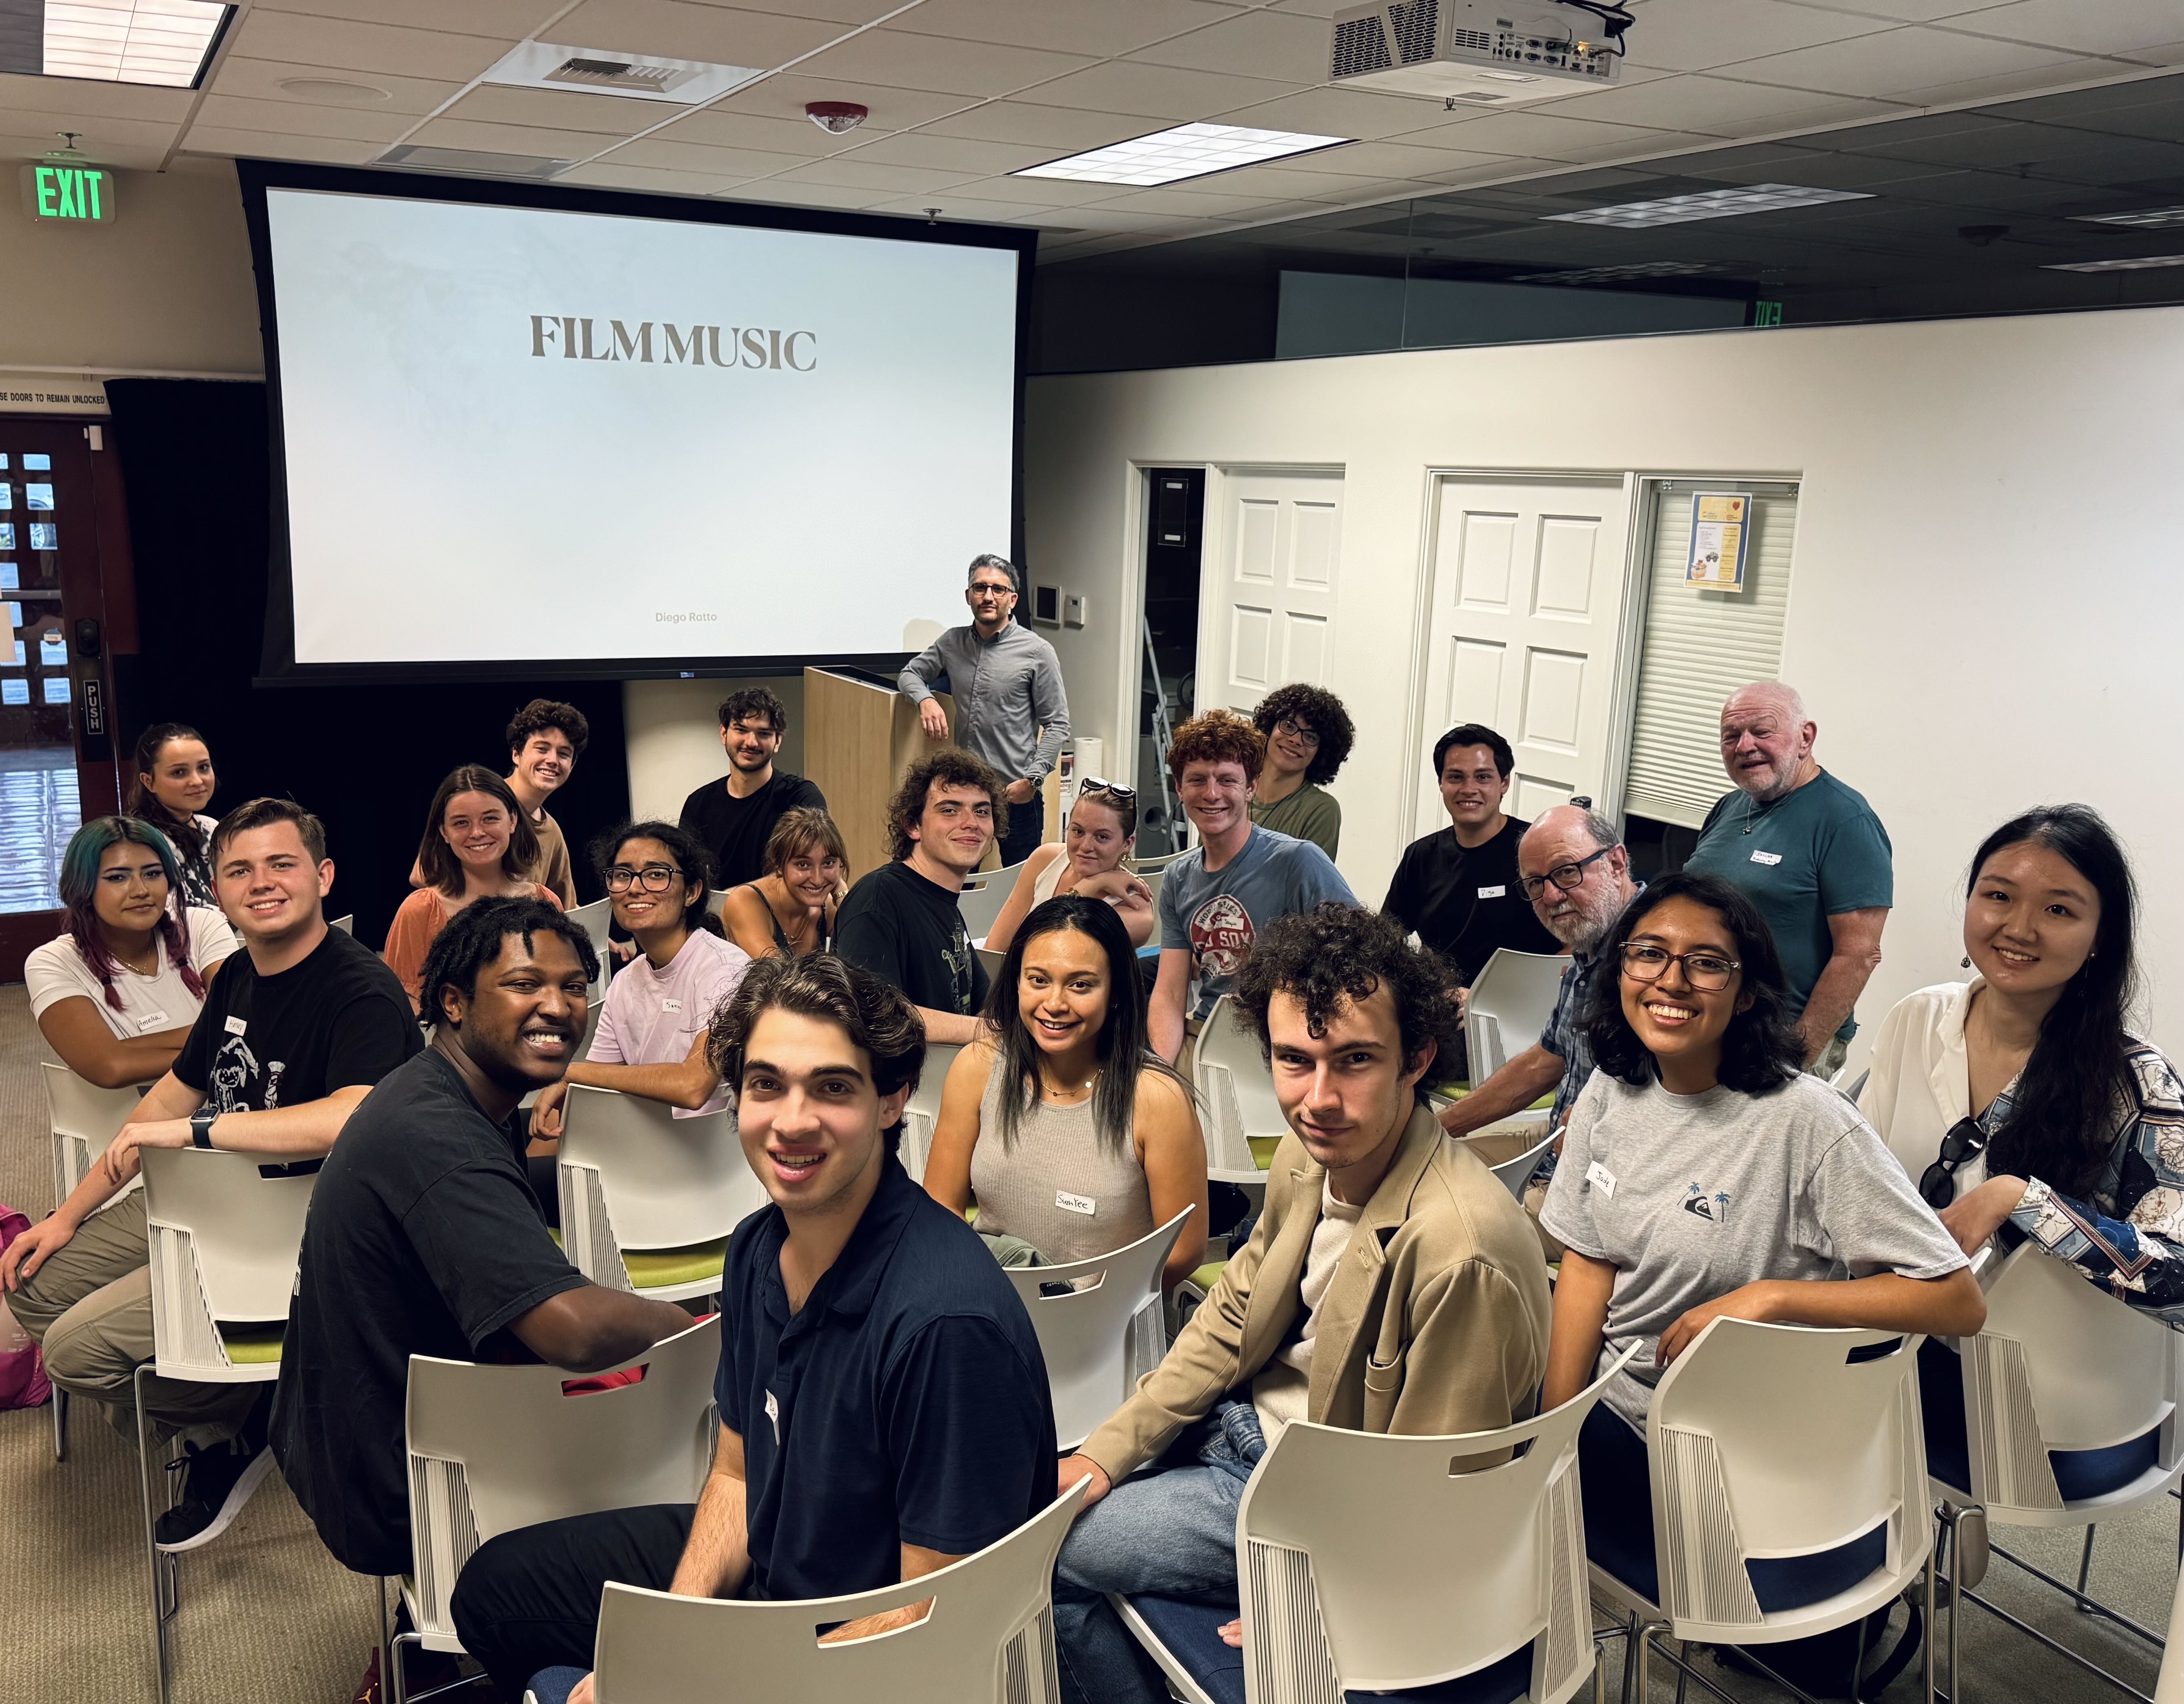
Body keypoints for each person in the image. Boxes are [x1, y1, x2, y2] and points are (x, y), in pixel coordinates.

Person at [449, 953, 1058, 1704]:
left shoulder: (944, 1324)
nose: (791, 1120)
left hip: (862, 1634)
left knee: (557, 1681)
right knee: (491, 1591)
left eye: (833, 1087)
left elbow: (926, 1615)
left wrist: (681, 1678)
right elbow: (737, 1474)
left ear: (893, 1099)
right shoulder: (757, 1246)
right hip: (780, 1563)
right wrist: (674, 1640)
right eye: (767, 1084)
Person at [1050, 904, 1553, 1704]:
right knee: (1027, 1506)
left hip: (1313, 1496)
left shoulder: (1462, 1250)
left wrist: (1332, 1586)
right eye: (1294, 1059)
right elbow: (1227, 1317)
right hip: (1246, 1430)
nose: (1318, 1097)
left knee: (1047, 1563)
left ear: (1417, 1057)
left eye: (1355, 1059)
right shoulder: (1307, 1156)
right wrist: (1107, 1451)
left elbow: (1444, 1481)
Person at [1539, 871, 1983, 1604]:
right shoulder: (1613, 1086)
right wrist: (1556, 1431)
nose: (1671, 980)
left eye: (1706, 961)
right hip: (1624, 1410)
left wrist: (1768, 1297)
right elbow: (1589, 1258)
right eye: (1647, 953)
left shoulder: (1804, 1121)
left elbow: (1957, 1299)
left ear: (1746, 991)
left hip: (1738, 1449)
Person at [1, 798, 420, 1550]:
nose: (261, 883)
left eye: (281, 863)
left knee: (73, 1350)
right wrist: (66, 1214)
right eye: (239, 870)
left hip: (292, 1226)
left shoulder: (360, 988)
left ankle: (248, 1412)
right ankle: (240, 1410)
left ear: (323, 875)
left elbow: (349, 1114)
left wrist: (195, 1130)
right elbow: (163, 1098)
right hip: (205, 1198)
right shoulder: (235, 979)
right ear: (217, 893)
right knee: (34, 1282)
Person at [272, 901, 696, 1598]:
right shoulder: (437, 1135)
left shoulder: (440, 1093)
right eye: (525, 984)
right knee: (736, 1482)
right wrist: (700, 1330)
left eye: (572, 986)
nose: (557, 1006)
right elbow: (574, 1329)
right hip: (411, 1488)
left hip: (375, 1431)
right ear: (454, 1001)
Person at [1856, 808, 2184, 1487]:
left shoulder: (2138, 1083)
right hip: (1911, 1336)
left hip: (2046, 1399)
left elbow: (2177, 1273)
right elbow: (1858, 1177)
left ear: (2100, 938)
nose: (2018, 927)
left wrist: (2022, 1199)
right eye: (1998, 894)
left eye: (2059, 908)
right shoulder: (1920, 1016)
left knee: (1788, 1404)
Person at [924, 895, 1207, 1285]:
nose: (1054, 1004)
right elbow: (942, 1208)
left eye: (1080, 985)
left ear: (1116, 994)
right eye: (1038, 981)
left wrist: (1076, 1308)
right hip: (993, 1309)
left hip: (1104, 1323)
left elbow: (1183, 1250)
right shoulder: (978, 1067)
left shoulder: (1157, 1098)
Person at [1682, 682, 1892, 1076]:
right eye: (1731, 736)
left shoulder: (1845, 821)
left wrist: (1793, 1057)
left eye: (1762, 731)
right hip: (1707, 1024)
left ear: (1805, 738)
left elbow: (1858, 954)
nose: (1745, 746)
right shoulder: (1729, 806)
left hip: (1778, 1038)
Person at [1148, 710, 1354, 1066]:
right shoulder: (1178, 877)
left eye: (1227, 780)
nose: (1212, 794)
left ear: (1250, 787)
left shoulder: (1299, 861)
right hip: (1206, 1033)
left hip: (1283, 1045)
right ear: (1179, 788)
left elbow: (1360, 958)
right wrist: (1160, 1070)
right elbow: (1168, 993)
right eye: (1197, 780)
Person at [530, 822, 750, 1138]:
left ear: (692, 892)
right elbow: (597, 1082)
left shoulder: (726, 968)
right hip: (637, 1140)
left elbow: (693, 1086)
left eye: (656, 874)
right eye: (622, 875)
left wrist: (569, 1073)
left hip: (708, 1156)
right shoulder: (625, 982)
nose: (635, 888)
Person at [1436, 804, 1640, 1143]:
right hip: (1556, 1143)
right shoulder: (1588, 949)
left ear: (1616, 864)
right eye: (1534, 883)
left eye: (1566, 872)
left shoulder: (1656, 956)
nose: (1550, 896)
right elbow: (1545, 1060)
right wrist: (1441, 1128)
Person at [1382, 723, 1562, 1079]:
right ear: (1441, 784)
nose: (1469, 789)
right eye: (1456, 777)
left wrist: (1491, 998)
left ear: (1504, 783)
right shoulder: (1422, 856)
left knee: (1410, 1069)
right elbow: (1387, 943)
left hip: (1525, 1014)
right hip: (1443, 1010)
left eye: (1483, 777)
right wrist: (1429, 990)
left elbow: (1576, 946)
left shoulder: (1536, 850)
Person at [28, 816, 235, 1089]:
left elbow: (243, 1021)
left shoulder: (201, 925)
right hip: (126, 1125)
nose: (141, 891)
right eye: (117, 878)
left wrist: (126, 1047)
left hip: (227, 1112)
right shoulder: (53, 962)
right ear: (83, 886)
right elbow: (110, 1068)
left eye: (152, 873)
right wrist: (217, 1043)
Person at [899, 554, 1071, 870]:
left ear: (1012, 599)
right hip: (965, 794)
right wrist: (925, 699)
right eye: (980, 588)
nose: (988, 596)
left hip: (1016, 794)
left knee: (1021, 886)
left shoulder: (1037, 652)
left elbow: (1058, 724)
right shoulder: (952, 642)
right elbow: (909, 674)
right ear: (968, 596)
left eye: (998, 589)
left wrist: (1032, 781)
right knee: (958, 880)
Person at [834, 748, 998, 1047]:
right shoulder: (878, 898)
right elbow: (877, 1016)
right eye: (949, 810)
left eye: (981, 811)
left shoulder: (945, 903)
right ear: (913, 826)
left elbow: (984, 1006)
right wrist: (991, 1034)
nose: (970, 822)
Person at [385, 765, 565, 1012]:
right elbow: (406, 1011)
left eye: (490, 818)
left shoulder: (545, 902)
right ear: (443, 832)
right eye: (461, 823)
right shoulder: (419, 911)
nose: (477, 833)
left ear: (513, 821)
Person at [404, 700, 588, 905]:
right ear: (516, 754)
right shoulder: (477, 801)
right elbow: (423, 874)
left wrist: (599, 935)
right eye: (542, 749)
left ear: (572, 766)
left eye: (564, 754)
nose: (553, 760)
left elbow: (567, 908)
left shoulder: (552, 830)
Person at [677, 685, 827, 892]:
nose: (751, 742)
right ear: (724, 733)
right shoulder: (698, 804)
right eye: (741, 730)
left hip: (784, 918)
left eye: (764, 733)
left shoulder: (801, 797)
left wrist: (739, 898)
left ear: (778, 742)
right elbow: (686, 874)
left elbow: (810, 870)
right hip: (715, 919)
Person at [982, 781, 1154, 956]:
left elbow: (1044, 947)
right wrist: (1095, 882)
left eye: (1102, 837)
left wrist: (1089, 886)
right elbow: (994, 948)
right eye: (1078, 832)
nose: (1086, 846)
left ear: (1127, 843)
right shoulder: (1046, 859)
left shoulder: (1136, 910)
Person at [719, 807, 847, 962]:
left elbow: (862, 960)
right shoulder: (744, 901)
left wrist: (843, 895)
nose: (818, 879)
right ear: (778, 864)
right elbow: (779, 979)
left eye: (828, 863)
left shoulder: (828, 906)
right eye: (803, 865)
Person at [1246, 682, 1352, 860]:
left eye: (1310, 737)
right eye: (1289, 726)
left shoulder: (1321, 810)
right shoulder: (1234, 787)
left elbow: (1309, 882)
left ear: (1321, 752)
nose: (1296, 740)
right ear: (1269, 727)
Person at [126, 721, 220, 912]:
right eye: (179, 772)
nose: (197, 781)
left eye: (203, 768)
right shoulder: (141, 841)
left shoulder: (212, 828)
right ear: (148, 781)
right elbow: (178, 918)